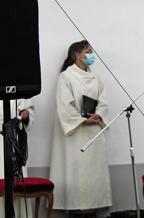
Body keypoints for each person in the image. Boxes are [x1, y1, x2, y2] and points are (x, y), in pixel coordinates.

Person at [49, 40, 112, 217]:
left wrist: (99, 114)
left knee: (93, 174)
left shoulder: (96, 77)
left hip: (94, 132)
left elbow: (104, 101)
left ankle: (94, 208)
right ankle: (76, 210)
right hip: (75, 134)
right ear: (77, 55)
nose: (91, 55)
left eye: (91, 51)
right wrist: (82, 120)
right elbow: (64, 105)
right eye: (88, 51)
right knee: (77, 173)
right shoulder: (66, 77)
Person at [0, 99, 34, 218]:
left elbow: (28, 108)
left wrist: (26, 115)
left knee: (16, 181)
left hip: (15, 138)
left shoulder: (18, 82)